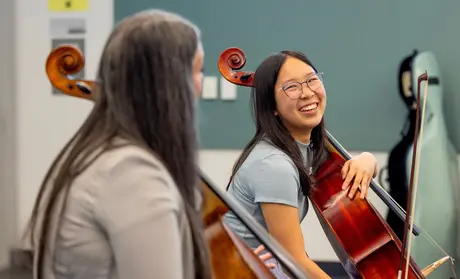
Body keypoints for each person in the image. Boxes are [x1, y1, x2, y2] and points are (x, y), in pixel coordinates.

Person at [25, 9, 274, 279]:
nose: (200, 86)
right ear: (168, 84)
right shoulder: (130, 174)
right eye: (197, 70)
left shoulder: (100, 155)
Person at [224, 51, 378, 279]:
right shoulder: (274, 165)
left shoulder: (305, 149)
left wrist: (368, 160)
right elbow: (293, 260)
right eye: (292, 87)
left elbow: (357, 169)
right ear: (272, 106)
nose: (307, 93)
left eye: (312, 79)